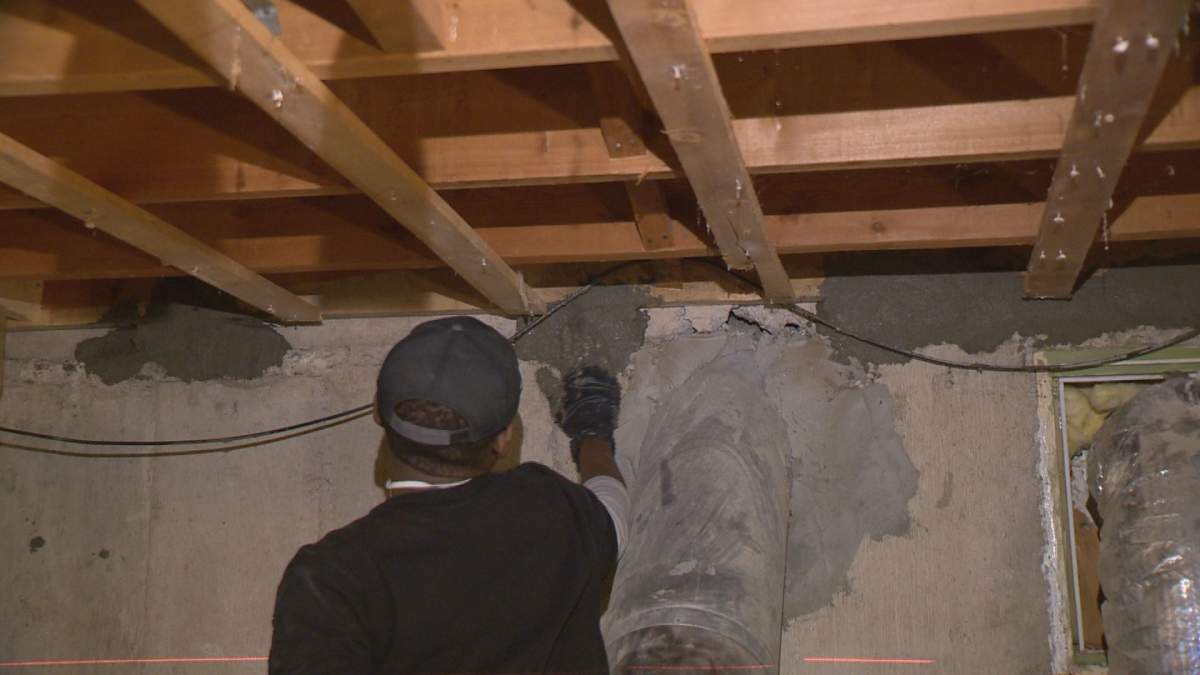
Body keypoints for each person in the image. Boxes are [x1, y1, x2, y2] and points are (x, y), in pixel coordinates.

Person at [268, 316, 628, 674]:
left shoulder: (331, 579)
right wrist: (592, 437)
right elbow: (612, 511)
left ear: (377, 412)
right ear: (504, 438)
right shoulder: (552, 508)